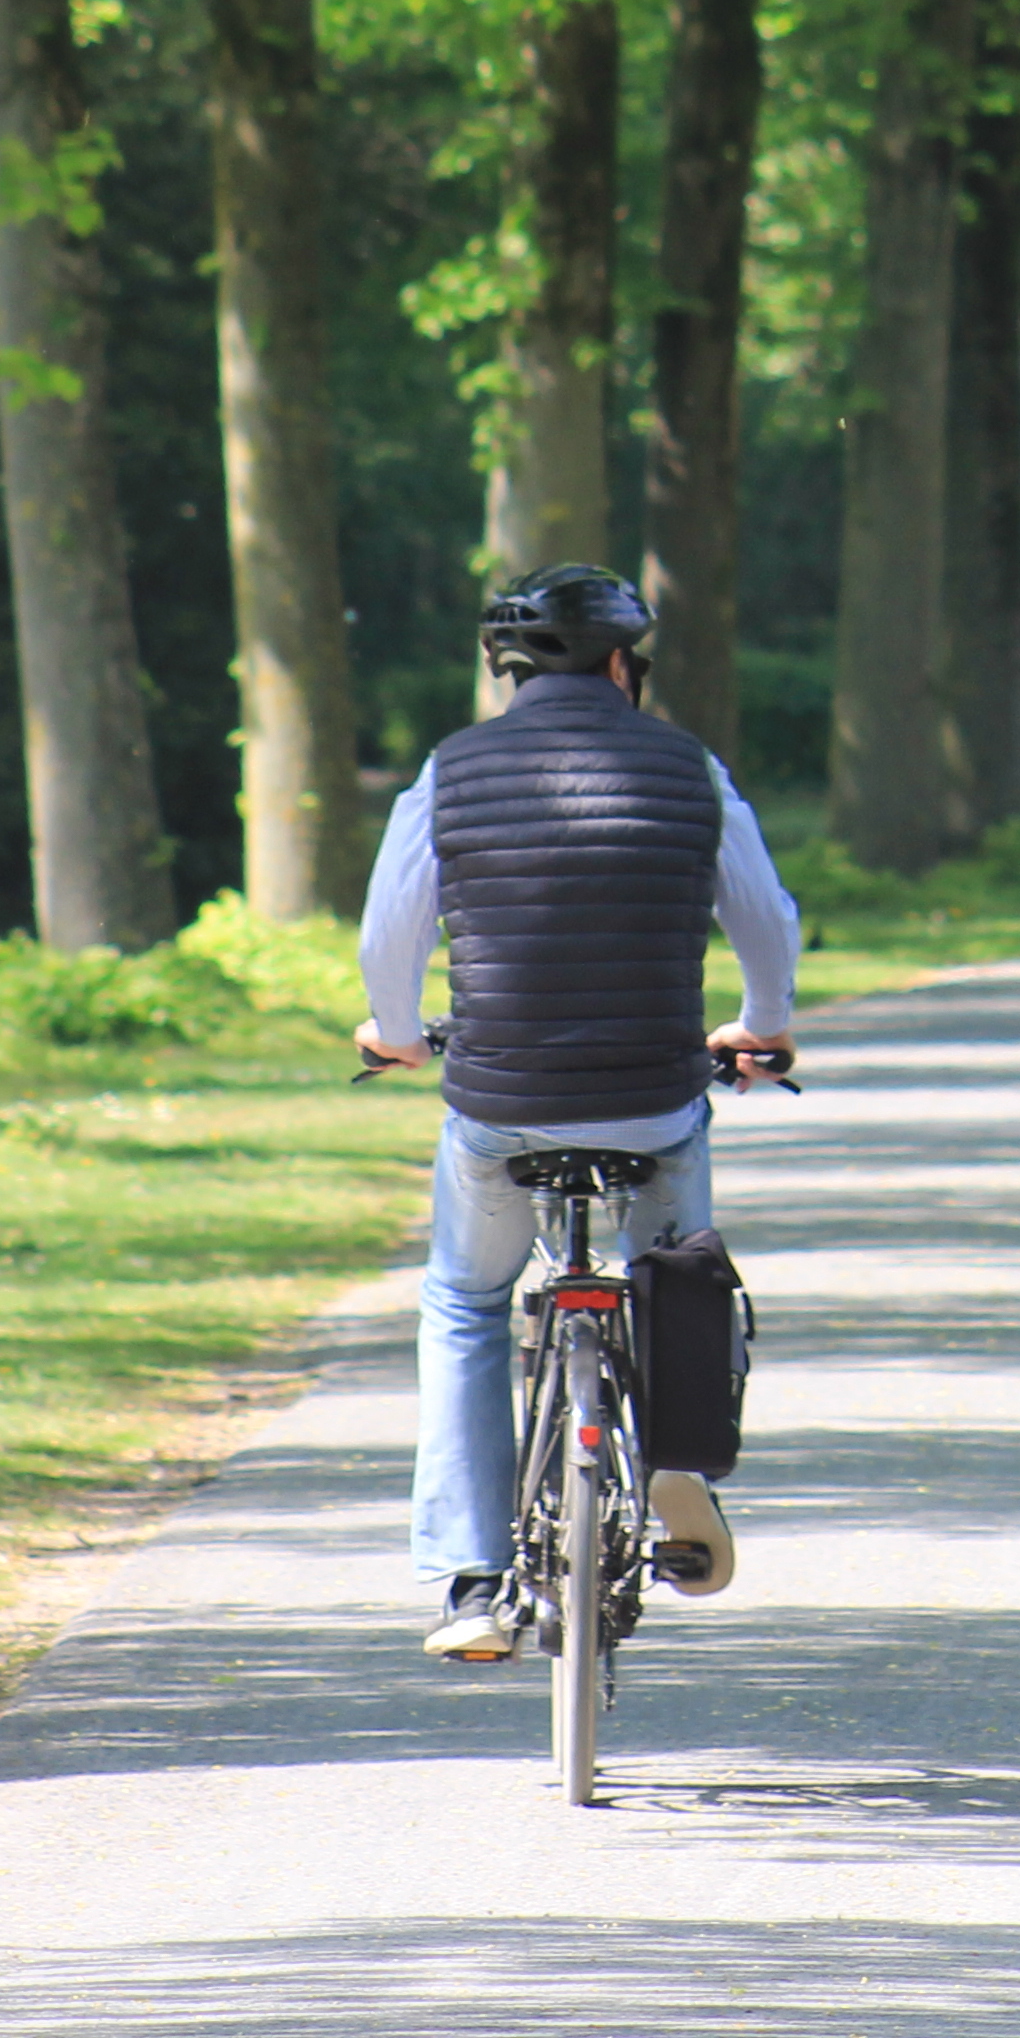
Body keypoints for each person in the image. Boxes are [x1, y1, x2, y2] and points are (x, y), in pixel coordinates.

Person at [353, 562, 798, 1662]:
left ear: (507, 672)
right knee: (677, 1274)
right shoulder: (689, 768)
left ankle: (470, 1577)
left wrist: (396, 1029)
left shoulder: (448, 773)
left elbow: (389, 930)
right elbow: (765, 919)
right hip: (654, 1096)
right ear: (619, 664)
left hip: (501, 1103)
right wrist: (762, 1022)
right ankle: (678, 1465)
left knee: (465, 1300)